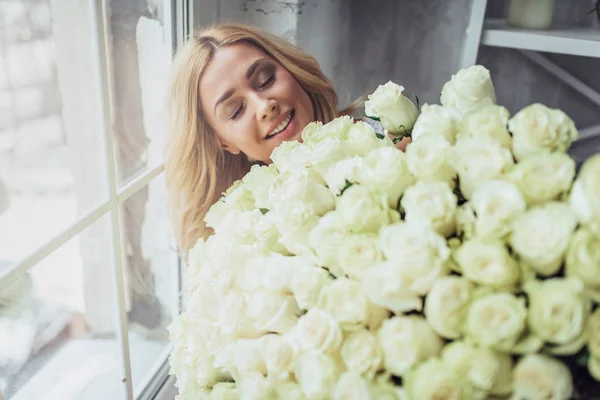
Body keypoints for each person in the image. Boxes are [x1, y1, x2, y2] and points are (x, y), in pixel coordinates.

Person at [165, 22, 409, 256]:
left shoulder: (393, 144)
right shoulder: (246, 241)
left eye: (266, 79)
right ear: (223, 142)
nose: (264, 106)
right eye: (236, 110)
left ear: (292, 70)